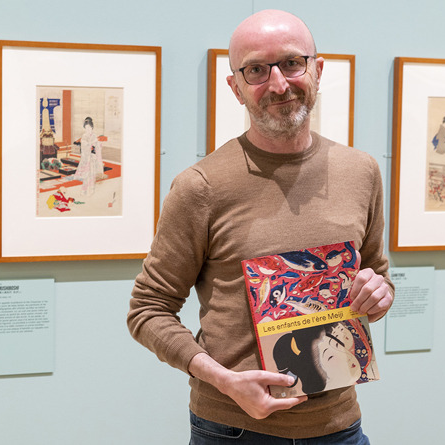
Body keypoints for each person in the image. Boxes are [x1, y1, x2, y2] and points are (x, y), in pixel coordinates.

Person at [127, 9, 393, 443]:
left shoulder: (361, 171)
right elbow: (148, 309)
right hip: (234, 429)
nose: (279, 84)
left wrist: (379, 294)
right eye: (256, 70)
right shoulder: (201, 187)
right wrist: (223, 380)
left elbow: (376, 277)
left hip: (340, 427)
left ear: (317, 70)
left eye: (292, 63)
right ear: (235, 88)